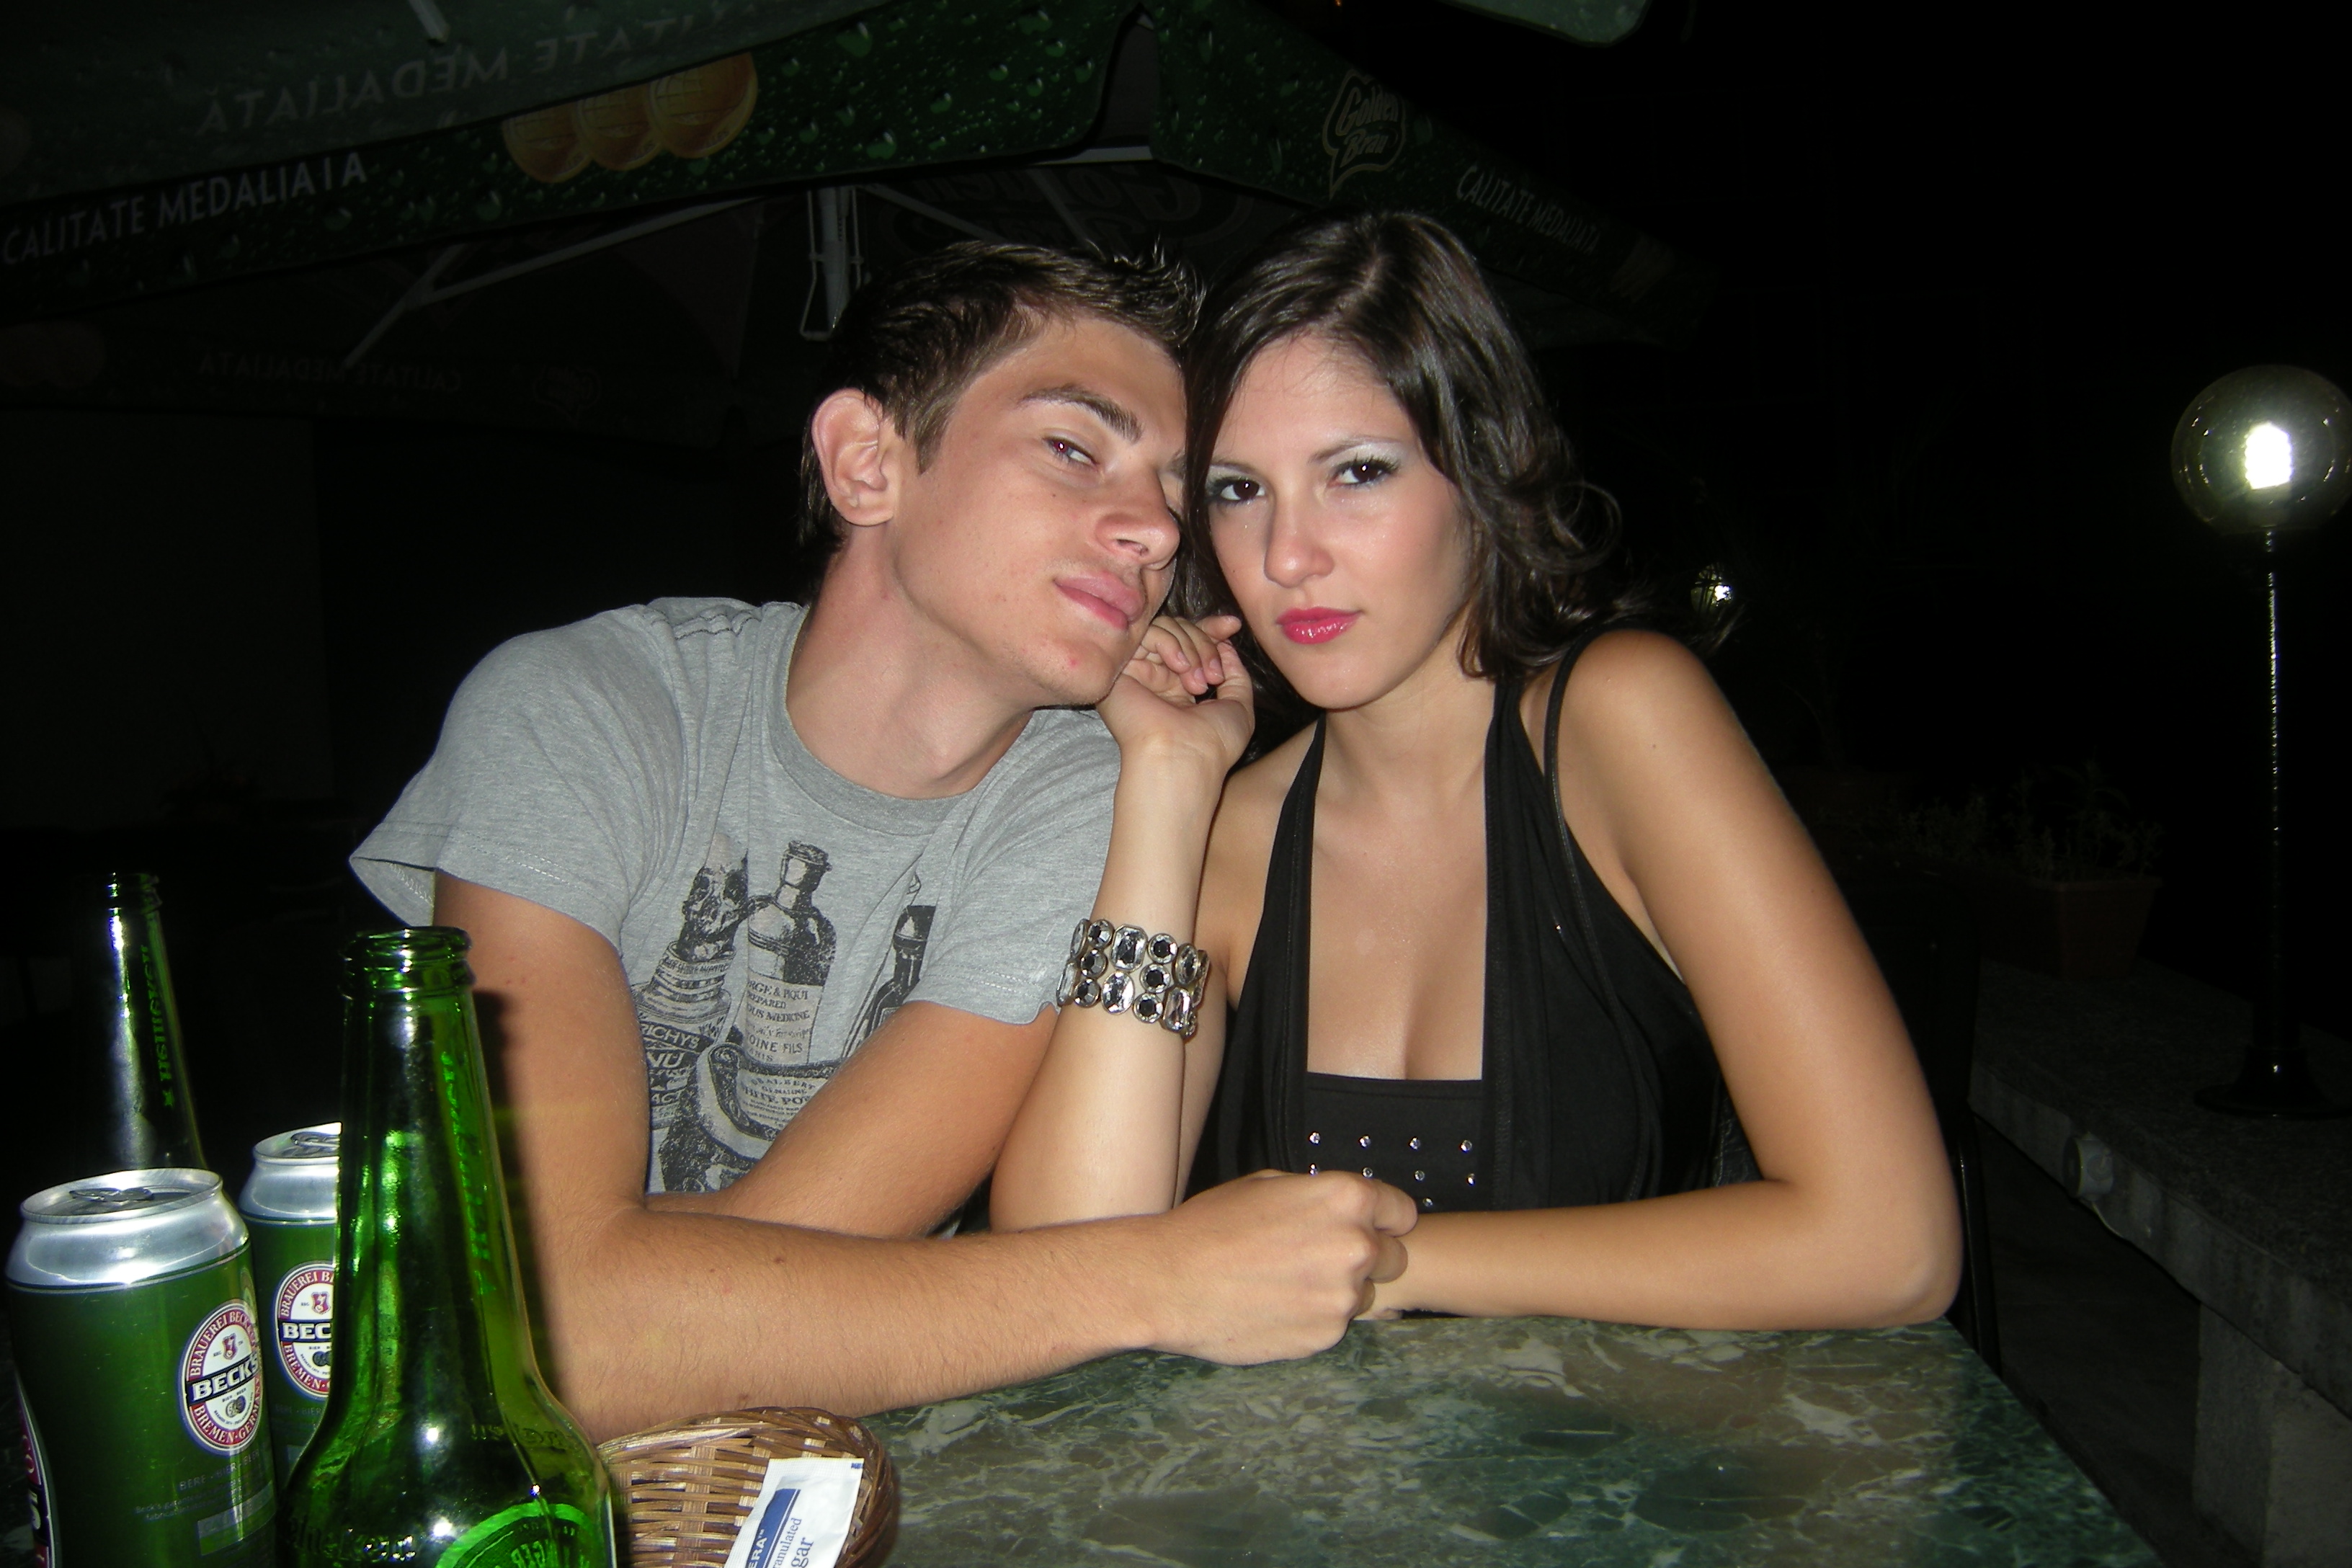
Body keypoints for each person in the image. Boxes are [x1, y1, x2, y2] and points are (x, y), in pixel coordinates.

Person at [350, 241, 1415, 1440]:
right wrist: (1159, 1281)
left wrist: (626, 1284)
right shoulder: (590, 710)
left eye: (1176, 490)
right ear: (867, 461)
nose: (1157, 533)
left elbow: (670, 1300)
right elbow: (556, 1332)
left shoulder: (1085, 797)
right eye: (1075, 449)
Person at [992, 211, 1963, 1332]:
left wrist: (1377, 1266)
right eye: (1238, 490)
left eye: (1358, 472)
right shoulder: (1231, 832)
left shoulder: (1618, 724)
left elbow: (1892, 1244)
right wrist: (1164, 784)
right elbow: (1067, 1267)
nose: (1288, 555)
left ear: (1485, 470)